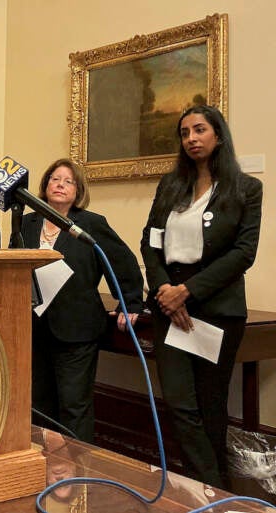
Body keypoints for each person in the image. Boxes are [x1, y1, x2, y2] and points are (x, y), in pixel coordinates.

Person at [140, 105, 262, 489]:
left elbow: (243, 253)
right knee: (179, 402)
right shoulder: (170, 186)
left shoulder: (246, 189)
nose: (191, 138)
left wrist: (187, 293)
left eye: (199, 130)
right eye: (184, 132)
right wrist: (164, 290)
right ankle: (206, 486)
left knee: (211, 405)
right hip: (167, 303)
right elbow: (150, 242)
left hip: (216, 307)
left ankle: (213, 488)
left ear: (218, 135)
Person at [11, 158, 143, 442]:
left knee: (74, 405)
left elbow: (123, 263)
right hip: (34, 329)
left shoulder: (91, 224)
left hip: (76, 330)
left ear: (78, 190)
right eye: (54, 179)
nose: (60, 184)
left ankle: (79, 475)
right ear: (45, 186)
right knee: (38, 404)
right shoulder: (26, 222)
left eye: (68, 181)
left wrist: (130, 303)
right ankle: (42, 467)